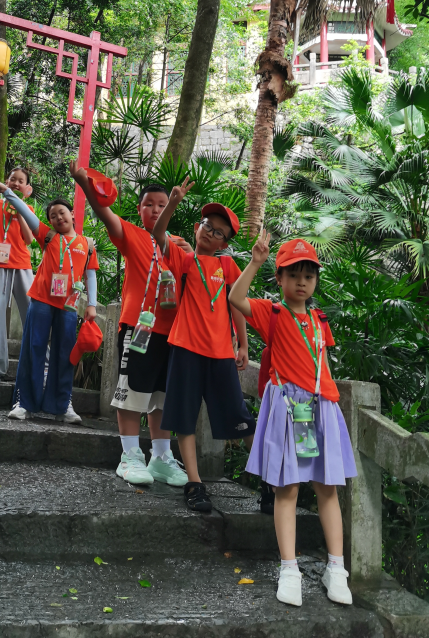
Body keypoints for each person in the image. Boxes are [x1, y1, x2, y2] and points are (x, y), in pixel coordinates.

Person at [229, 232, 357, 608]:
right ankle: (290, 569)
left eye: (309, 275)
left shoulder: (319, 320)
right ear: (280, 279)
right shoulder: (273, 314)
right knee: (288, 489)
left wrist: (329, 403)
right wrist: (254, 261)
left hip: (322, 409)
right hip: (291, 408)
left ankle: (337, 569)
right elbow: (235, 299)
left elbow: (323, 366)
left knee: (327, 489)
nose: (302, 281)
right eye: (293, 274)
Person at [70, 161, 190, 488]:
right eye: (148, 204)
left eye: (162, 205)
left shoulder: (178, 245)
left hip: (172, 333)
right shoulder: (131, 235)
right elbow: (103, 211)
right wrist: (85, 183)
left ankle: (161, 457)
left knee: (161, 397)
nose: (155, 209)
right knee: (132, 393)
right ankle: (130, 455)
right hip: (138, 329)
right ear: (139, 210)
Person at [151, 177, 254, 513]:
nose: (211, 232)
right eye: (209, 225)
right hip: (185, 348)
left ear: (225, 243)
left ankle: (270, 480)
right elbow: (159, 234)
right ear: (198, 227)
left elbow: (237, 303)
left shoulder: (227, 265)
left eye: (219, 232)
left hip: (221, 353)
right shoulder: (183, 260)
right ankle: (195, 484)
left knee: (239, 416)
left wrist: (243, 344)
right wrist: (173, 201)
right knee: (184, 418)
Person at [0, 176, 97, 424]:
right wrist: (7, 192)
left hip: (69, 306)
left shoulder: (87, 244)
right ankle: (24, 402)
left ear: (72, 214)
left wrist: (91, 303)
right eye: (53, 216)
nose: (58, 218)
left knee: (65, 354)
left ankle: (62, 404)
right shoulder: (48, 236)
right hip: (41, 300)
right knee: (33, 349)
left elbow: (90, 275)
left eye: (62, 213)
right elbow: (23, 212)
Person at [0, 167, 36, 385]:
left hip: (22, 264)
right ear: (5, 181)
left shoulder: (27, 208)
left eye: (20, 181)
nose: (15, 183)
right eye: (12, 179)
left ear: (26, 189)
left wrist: (19, 210)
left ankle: (40, 364)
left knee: (32, 312)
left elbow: (30, 239)